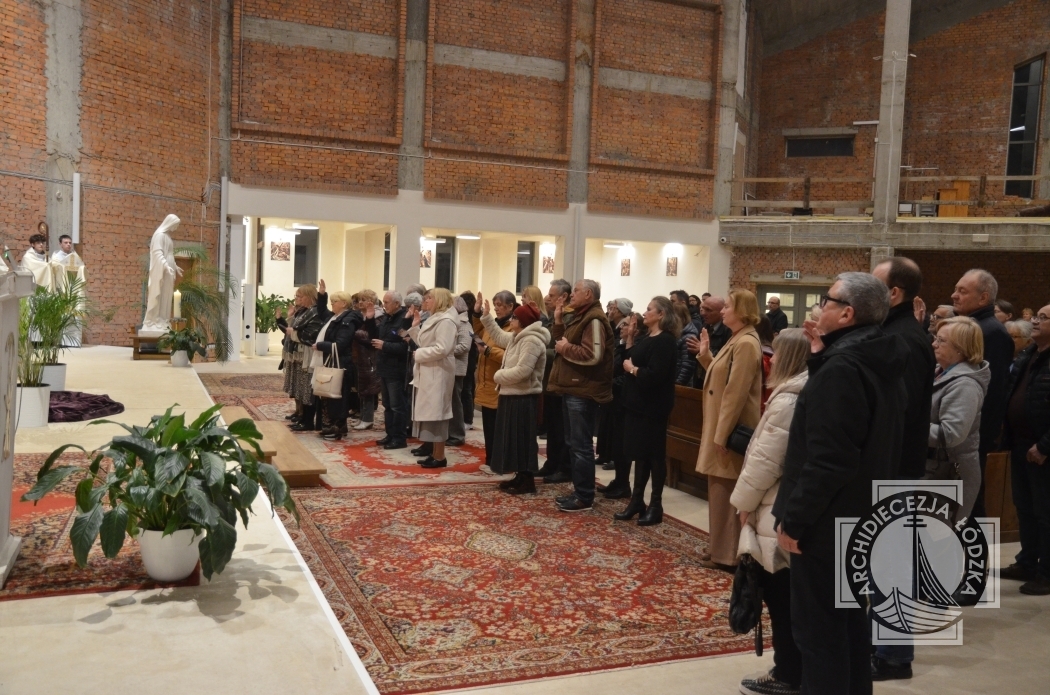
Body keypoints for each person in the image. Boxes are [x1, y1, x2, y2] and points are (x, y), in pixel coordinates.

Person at [772, 272, 906, 695]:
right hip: (859, 515)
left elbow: (830, 460)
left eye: (826, 300)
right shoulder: (875, 355)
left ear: (847, 314)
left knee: (819, 634)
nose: (819, 307)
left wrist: (794, 519)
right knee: (848, 625)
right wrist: (820, 355)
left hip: (826, 524)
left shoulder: (843, 368)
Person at [869, 257, 938, 681]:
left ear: (894, 293)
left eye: (874, 284)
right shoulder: (893, 333)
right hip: (888, 468)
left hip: (894, 470)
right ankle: (881, 646)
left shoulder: (903, 340)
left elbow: (899, 412)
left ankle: (893, 656)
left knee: (892, 564)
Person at [732, 328, 811, 695]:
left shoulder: (789, 400)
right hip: (776, 502)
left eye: (777, 353)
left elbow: (766, 461)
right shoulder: (792, 393)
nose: (772, 359)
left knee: (780, 595)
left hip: (774, 505)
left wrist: (744, 504)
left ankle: (788, 673)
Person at [694, 289, 763, 570]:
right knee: (719, 491)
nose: (722, 311)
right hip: (721, 426)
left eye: (728, 306)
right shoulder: (738, 337)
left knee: (727, 491)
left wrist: (721, 436)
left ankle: (729, 554)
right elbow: (723, 377)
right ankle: (718, 548)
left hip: (731, 430)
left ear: (742, 310)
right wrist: (705, 356)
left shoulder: (746, 342)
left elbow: (736, 393)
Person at [952, 269, 1014, 517]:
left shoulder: (991, 332)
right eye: (955, 289)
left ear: (983, 298)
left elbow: (992, 389)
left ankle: (974, 544)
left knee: (968, 502)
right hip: (962, 428)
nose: (954, 295)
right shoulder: (972, 327)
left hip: (972, 433)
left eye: (962, 291)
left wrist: (977, 432)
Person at [548, 279, 615, 512]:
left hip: (584, 390)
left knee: (581, 446)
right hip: (573, 387)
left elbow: (593, 355)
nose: (571, 295)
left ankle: (584, 496)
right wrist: (558, 321)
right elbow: (561, 343)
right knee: (573, 444)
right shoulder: (580, 316)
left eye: (576, 291)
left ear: (588, 294)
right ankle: (580, 491)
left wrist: (565, 348)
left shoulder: (594, 319)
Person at [613, 297, 679, 525]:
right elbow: (627, 361)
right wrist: (630, 338)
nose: (645, 312)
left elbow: (655, 375)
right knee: (640, 455)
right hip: (637, 405)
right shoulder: (647, 337)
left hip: (653, 407)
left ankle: (656, 505)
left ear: (661, 314)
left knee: (654, 456)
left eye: (650, 309)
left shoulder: (665, 341)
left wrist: (633, 370)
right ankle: (637, 501)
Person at [1000, 304, 1050, 596]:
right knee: (1026, 509)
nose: (1035, 321)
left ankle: (1047, 573)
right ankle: (1027, 562)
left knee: (1046, 513)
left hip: (1043, 451)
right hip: (1020, 445)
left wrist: (1044, 446)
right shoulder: (1029, 354)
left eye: (1044, 318)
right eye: (1036, 316)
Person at [477, 295, 549, 493]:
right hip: (512, 394)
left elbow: (524, 370)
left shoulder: (532, 340)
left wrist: (499, 376)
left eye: (515, 317)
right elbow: (499, 336)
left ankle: (527, 481)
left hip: (524, 396)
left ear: (523, 321)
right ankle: (519, 476)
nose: (511, 320)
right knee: (513, 439)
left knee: (523, 440)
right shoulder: (518, 336)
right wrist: (486, 317)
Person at [925, 316, 989, 524]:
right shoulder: (941, 372)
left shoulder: (965, 385)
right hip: (934, 470)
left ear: (961, 349)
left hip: (949, 474)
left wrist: (909, 426)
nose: (934, 344)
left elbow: (951, 434)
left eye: (941, 341)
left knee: (937, 539)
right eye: (936, 338)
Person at [408, 288, 458, 468]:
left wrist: (419, 354)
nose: (425, 301)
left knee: (438, 415)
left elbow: (442, 349)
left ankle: (440, 456)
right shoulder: (435, 318)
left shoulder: (446, 321)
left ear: (440, 300)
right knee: (432, 414)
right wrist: (415, 327)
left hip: (439, 373)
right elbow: (425, 343)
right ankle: (434, 453)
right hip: (430, 371)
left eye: (429, 298)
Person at [600, 312, 646, 498]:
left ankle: (623, 484)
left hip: (625, 400)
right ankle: (619, 480)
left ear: (637, 329)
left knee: (622, 445)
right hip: (615, 399)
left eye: (626, 325)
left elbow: (628, 376)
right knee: (615, 444)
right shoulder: (622, 345)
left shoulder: (638, 347)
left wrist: (609, 384)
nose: (621, 327)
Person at [314, 286, 367, 440]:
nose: (331, 304)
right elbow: (322, 311)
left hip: (342, 362)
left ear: (344, 303)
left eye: (334, 301)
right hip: (333, 361)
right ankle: (333, 426)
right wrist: (322, 295)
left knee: (338, 396)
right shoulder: (336, 317)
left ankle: (337, 428)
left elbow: (341, 344)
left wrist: (320, 345)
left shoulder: (348, 320)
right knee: (330, 395)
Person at [470, 290, 515, 465]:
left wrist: (488, 351)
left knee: (499, 428)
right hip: (486, 383)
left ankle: (501, 460)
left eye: (499, 305)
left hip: (500, 384)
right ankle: (491, 459)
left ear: (510, 306)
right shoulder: (493, 324)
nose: (496, 308)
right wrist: (477, 312)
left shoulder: (512, 328)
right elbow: (478, 330)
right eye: (495, 305)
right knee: (489, 427)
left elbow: (511, 356)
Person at [537, 279, 573, 482]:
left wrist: (541, 352)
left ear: (563, 297)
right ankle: (551, 464)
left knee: (561, 429)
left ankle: (563, 467)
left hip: (562, 380)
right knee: (552, 427)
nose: (548, 299)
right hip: (550, 380)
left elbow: (562, 349)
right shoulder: (553, 318)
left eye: (552, 295)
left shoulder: (568, 319)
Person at [280, 284, 324, 432]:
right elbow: (293, 328)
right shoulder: (305, 311)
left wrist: (294, 333)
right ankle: (303, 418)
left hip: (308, 354)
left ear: (309, 296)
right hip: (300, 353)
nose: (297, 298)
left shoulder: (315, 312)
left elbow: (311, 334)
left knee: (307, 388)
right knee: (301, 387)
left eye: (300, 296)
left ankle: (308, 421)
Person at [370, 291, 411, 450]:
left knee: (397, 406)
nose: (384, 305)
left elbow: (405, 346)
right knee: (387, 405)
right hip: (384, 367)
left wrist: (385, 345)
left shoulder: (404, 319)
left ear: (396, 304)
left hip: (397, 369)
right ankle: (390, 434)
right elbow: (375, 336)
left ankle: (399, 438)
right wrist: (369, 319)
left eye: (387, 302)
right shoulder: (387, 318)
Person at [598, 298, 633, 466]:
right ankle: (604, 454)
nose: (622, 328)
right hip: (611, 385)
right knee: (606, 422)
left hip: (619, 388)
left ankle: (614, 457)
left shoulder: (629, 345)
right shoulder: (616, 334)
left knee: (617, 426)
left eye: (626, 326)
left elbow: (625, 367)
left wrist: (611, 381)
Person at [142, 214, 183, 333]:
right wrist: (166, 266)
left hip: (169, 270)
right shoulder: (159, 235)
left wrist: (175, 266)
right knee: (159, 294)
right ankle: (154, 320)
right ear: (170, 223)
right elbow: (157, 253)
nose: (176, 228)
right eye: (176, 225)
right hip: (162, 270)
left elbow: (169, 254)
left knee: (167, 295)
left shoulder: (167, 236)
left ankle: (163, 319)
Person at [351, 291, 381, 431]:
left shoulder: (378, 316)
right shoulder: (360, 315)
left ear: (372, 301)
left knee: (368, 389)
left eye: (364, 299)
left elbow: (371, 337)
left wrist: (354, 333)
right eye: (359, 300)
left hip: (371, 357)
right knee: (361, 388)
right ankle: (362, 416)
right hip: (360, 356)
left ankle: (368, 419)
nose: (360, 302)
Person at [447, 296, 473, 447]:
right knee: (449, 403)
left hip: (457, 368)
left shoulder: (464, 324)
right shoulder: (452, 322)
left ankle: (457, 435)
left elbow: (464, 346)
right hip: (449, 366)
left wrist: (446, 350)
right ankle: (449, 433)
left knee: (455, 404)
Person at [458, 291, 480, 431]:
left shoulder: (470, 318)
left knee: (466, 389)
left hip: (468, 356)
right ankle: (465, 418)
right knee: (467, 389)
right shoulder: (466, 316)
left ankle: (467, 419)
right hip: (471, 356)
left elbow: (475, 336)